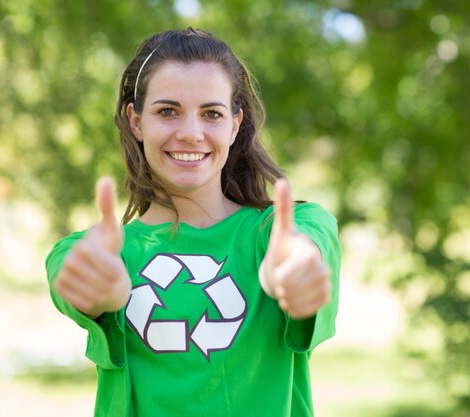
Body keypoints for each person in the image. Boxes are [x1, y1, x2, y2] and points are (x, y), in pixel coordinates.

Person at [45, 28, 341, 417]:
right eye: (167, 111)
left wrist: (288, 268)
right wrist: (102, 292)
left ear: (235, 124)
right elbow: (70, 274)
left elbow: (305, 249)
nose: (190, 133)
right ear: (136, 121)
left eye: (211, 114)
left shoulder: (283, 231)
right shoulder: (98, 251)